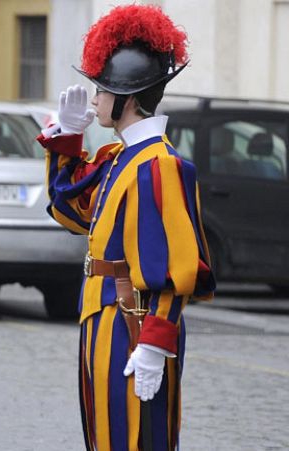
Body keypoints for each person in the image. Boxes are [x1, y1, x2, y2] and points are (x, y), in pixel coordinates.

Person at [36, 5, 216, 450]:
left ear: (128, 99)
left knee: (137, 440)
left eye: (102, 90)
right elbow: (70, 208)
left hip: (134, 325)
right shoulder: (121, 158)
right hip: (103, 318)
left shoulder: (161, 165)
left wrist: (155, 343)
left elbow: (176, 269)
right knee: (106, 439)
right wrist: (67, 139)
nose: (94, 100)